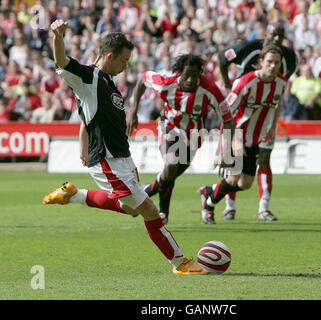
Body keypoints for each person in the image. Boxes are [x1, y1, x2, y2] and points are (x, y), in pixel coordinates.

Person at [42, 19, 208, 275]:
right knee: (150, 211)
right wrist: (58, 37)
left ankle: (74, 194)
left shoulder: (107, 82)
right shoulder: (89, 77)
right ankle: (180, 263)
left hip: (122, 158)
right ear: (109, 55)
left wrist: (83, 143)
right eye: (123, 60)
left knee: (129, 209)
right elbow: (63, 62)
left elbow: (88, 116)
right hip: (108, 160)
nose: (125, 66)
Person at [127, 53, 234, 225]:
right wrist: (133, 110)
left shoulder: (210, 89)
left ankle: (146, 194)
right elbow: (142, 79)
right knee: (171, 165)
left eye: (194, 76)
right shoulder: (166, 83)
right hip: (169, 127)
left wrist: (225, 150)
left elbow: (228, 120)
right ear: (179, 74)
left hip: (194, 136)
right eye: (186, 76)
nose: (191, 80)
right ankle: (163, 213)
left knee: (170, 175)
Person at [216, 22, 298, 222]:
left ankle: (264, 208)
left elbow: (278, 91)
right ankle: (229, 206)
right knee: (236, 165)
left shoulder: (289, 58)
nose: (277, 39)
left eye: (281, 35)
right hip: (243, 111)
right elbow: (221, 58)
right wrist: (228, 85)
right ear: (266, 33)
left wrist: (274, 121)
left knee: (264, 160)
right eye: (273, 34)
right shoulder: (247, 48)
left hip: (266, 117)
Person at [198, 44, 287, 224]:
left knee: (245, 184)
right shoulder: (245, 83)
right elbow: (226, 113)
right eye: (269, 61)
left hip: (254, 138)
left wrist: (271, 127)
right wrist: (229, 142)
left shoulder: (281, 83)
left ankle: (210, 190)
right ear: (261, 62)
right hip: (236, 133)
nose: (272, 66)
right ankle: (209, 205)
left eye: (276, 63)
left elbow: (276, 105)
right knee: (232, 178)